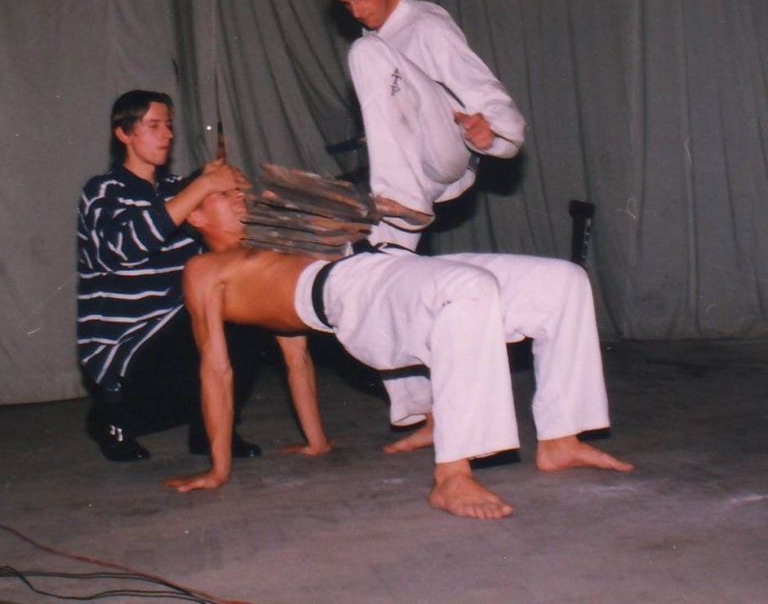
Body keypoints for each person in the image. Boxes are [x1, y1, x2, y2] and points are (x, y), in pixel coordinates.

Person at [166, 187, 633, 520]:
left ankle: (560, 438)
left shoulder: (277, 240)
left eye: (240, 189)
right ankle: (452, 476)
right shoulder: (205, 268)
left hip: (388, 263)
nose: (240, 196)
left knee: (562, 282)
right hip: (350, 294)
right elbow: (215, 368)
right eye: (222, 194)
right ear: (196, 216)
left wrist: (317, 442)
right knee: (467, 289)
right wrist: (218, 468)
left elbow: (297, 360)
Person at [77, 90, 263, 462]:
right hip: (127, 352)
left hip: (175, 337)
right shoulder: (103, 191)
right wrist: (202, 187)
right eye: (154, 126)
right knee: (220, 319)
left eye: (169, 125)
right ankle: (110, 417)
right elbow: (124, 248)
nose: (167, 134)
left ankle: (211, 431)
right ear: (124, 134)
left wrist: (233, 195)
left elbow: (219, 241)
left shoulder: (176, 191)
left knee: (245, 308)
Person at [328, 0, 527, 250]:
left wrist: (495, 132)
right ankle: (394, 243)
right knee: (371, 257)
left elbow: (486, 89)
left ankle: (401, 197)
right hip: (418, 169)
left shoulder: (426, 24)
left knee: (365, 52)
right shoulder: (375, 38)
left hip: (445, 148)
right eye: (347, 4)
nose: (356, 12)